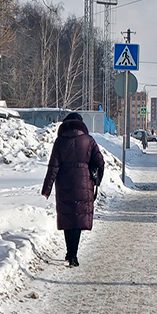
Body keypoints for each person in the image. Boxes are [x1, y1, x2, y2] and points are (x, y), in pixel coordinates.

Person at [42, 112, 105, 267]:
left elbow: (53, 166)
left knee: (67, 218)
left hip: (64, 183)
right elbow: (100, 162)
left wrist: (47, 188)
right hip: (83, 183)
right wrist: (97, 179)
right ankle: (73, 256)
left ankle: (69, 252)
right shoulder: (88, 141)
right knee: (77, 219)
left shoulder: (59, 141)